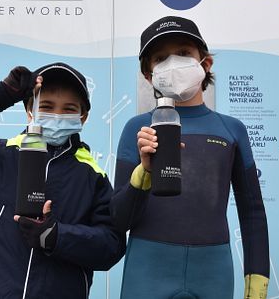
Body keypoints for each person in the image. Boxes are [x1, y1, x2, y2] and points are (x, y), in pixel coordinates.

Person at [0, 63, 125, 298]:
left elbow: (111, 246)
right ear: (30, 111)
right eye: (46, 106)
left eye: (68, 109)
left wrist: (57, 236)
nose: (57, 115)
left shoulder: (93, 175)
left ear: (83, 116)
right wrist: (3, 93)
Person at [110, 16, 270, 299]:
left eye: (184, 53)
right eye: (161, 58)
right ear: (149, 75)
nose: (173, 63)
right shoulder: (137, 129)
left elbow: (252, 211)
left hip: (213, 270)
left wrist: (257, 276)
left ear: (205, 63)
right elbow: (119, 219)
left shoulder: (232, 130)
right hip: (148, 268)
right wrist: (144, 172)